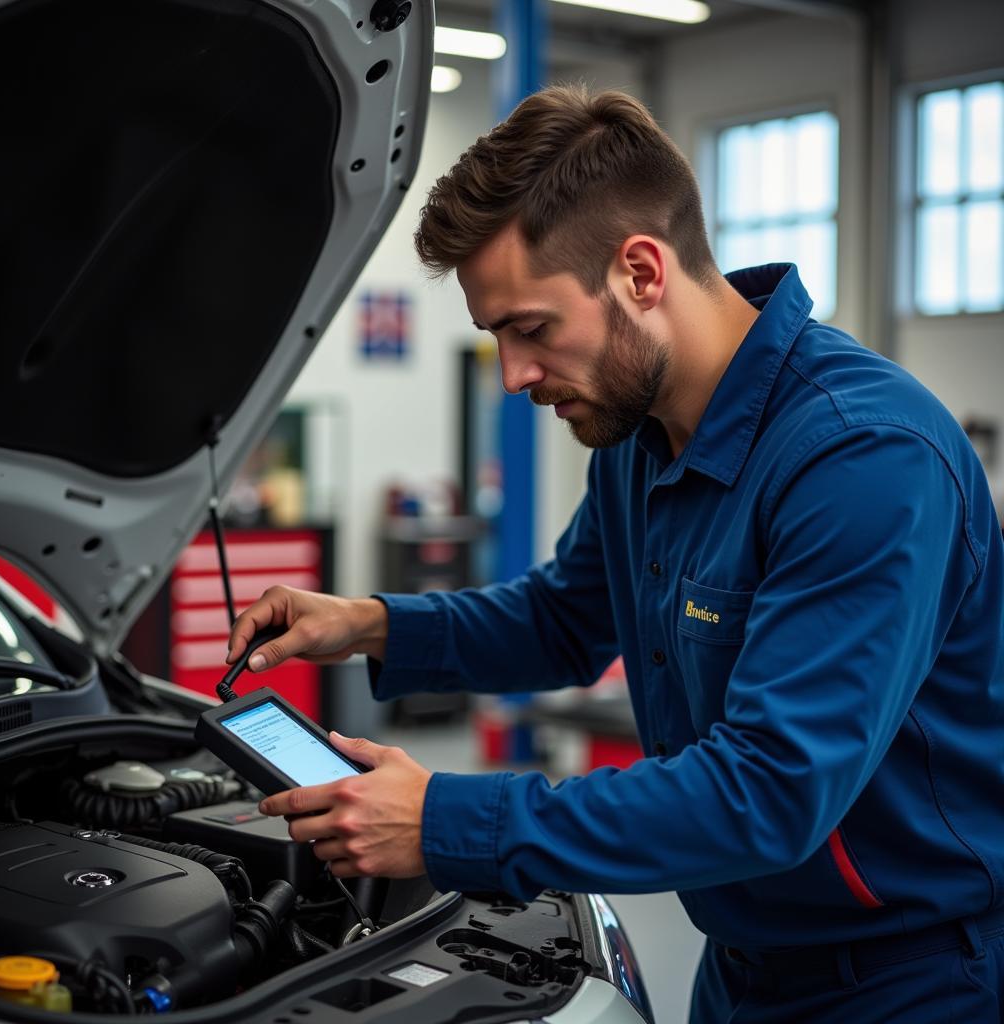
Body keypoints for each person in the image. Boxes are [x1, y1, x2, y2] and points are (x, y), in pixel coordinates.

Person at [226, 86, 1004, 1022]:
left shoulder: (863, 458)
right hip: (744, 963)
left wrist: (447, 821)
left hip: (913, 980)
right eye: (495, 337)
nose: (512, 377)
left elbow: (769, 792)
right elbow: (564, 620)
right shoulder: (644, 440)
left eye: (531, 329)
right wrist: (369, 624)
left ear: (641, 271)